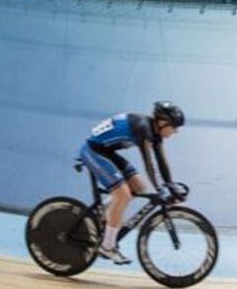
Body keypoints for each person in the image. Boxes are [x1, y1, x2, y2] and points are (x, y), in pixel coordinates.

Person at [78, 102, 186, 263]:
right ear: (163, 122)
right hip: (93, 151)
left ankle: (104, 212)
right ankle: (107, 247)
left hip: (106, 151)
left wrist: (170, 185)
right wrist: (160, 190)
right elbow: (149, 164)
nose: (176, 131)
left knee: (139, 187)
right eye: (175, 127)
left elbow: (161, 162)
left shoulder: (155, 133)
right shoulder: (143, 128)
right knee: (123, 196)